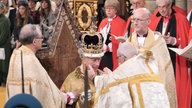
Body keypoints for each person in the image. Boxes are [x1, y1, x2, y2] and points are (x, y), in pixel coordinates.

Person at [6, 24, 78, 108]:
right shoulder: (31, 61)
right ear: (34, 42)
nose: (42, 40)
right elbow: (46, 89)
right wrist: (68, 97)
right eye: (41, 38)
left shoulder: (15, 54)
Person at [91, 42, 170, 108]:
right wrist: (112, 75)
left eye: (117, 57)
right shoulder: (149, 66)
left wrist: (94, 78)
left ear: (123, 58)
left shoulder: (128, 67)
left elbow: (113, 87)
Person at [127, 8, 177, 107]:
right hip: (135, 87)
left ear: (148, 21)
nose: (135, 23)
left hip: (153, 87)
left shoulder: (158, 41)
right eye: (134, 19)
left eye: (139, 20)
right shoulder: (129, 41)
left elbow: (165, 68)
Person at [149, 0, 191, 107]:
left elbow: (187, 43)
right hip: (159, 64)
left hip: (175, 63)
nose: (161, 10)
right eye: (159, 7)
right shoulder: (155, 21)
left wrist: (174, 41)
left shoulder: (181, 19)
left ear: (170, 5)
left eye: (164, 7)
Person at [60, 29, 105, 108]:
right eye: (94, 60)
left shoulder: (104, 76)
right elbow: (61, 104)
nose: (97, 64)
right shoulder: (71, 80)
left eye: (99, 59)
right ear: (84, 59)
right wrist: (80, 102)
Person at [98, 0, 126, 70]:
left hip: (114, 54)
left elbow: (123, 40)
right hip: (103, 54)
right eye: (107, 8)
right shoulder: (103, 22)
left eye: (111, 8)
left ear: (116, 10)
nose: (108, 10)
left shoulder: (121, 23)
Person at [0, 1, 11, 86]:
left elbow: (3, 37)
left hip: (3, 47)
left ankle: (5, 82)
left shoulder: (5, 20)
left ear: (3, 10)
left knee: (4, 66)